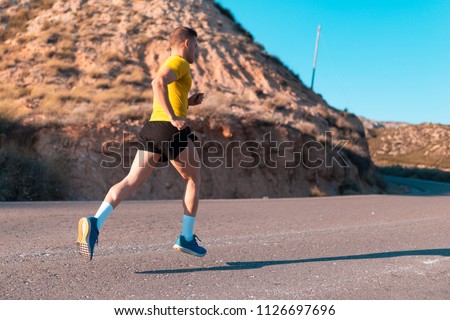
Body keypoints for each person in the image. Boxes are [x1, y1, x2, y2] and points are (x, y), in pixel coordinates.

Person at [76, 26, 206, 262]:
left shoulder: (173, 64)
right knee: (193, 178)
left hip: (152, 128)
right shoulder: (180, 63)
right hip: (169, 129)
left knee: (130, 181)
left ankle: (95, 222)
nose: (197, 51)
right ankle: (186, 238)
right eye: (196, 46)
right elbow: (157, 83)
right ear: (187, 43)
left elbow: (167, 91)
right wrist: (174, 118)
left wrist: (188, 103)